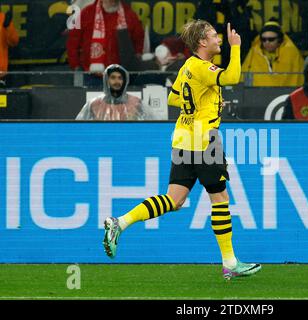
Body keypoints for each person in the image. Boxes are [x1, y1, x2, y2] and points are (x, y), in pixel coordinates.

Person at [102, 20, 262, 280]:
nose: (219, 39)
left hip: (183, 138)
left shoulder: (188, 67)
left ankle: (120, 223)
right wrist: (236, 48)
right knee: (220, 199)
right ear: (202, 42)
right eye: (214, 36)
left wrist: (204, 100)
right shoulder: (202, 66)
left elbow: (174, 97)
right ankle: (230, 262)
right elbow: (232, 77)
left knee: (174, 200)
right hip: (204, 141)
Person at [66, 0, 144, 74]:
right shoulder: (86, 13)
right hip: (90, 74)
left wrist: (135, 62)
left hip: (120, 75)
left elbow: (139, 40)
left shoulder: (129, 14)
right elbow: (73, 42)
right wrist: (75, 66)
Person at [241, 18, 304, 87]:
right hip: (257, 95)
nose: (267, 42)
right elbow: (242, 79)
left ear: (279, 39)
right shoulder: (254, 53)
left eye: (271, 39)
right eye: (263, 39)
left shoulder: (291, 53)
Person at [76, 64, 151, 120]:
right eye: (113, 78)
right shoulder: (94, 104)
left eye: (120, 78)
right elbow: (80, 129)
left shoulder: (136, 103)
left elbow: (151, 128)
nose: (117, 81)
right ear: (106, 80)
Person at [0, 10, 19, 86]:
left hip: (1, 73)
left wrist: (7, 27)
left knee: (1, 98)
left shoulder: (3, 18)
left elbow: (14, 42)